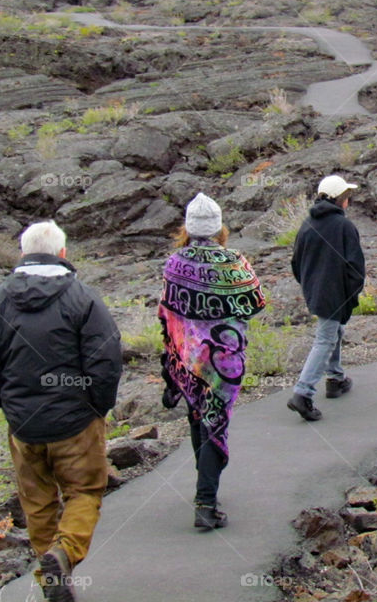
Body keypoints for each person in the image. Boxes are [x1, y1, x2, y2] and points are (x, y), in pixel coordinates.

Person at [0, 220, 122, 602]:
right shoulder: (82, 297)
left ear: (23, 253)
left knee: (36, 503)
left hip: (24, 425)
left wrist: (6, 402)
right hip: (76, 420)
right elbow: (106, 358)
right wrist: (96, 406)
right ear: (63, 254)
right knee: (84, 490)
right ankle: (64, 553)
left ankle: (50, 578)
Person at [158, 193, 265, 530]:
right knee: (215, 422)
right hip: (223, 361)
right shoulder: (234, 262)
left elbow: (167, 310)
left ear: (187, 229)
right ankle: (206, 501)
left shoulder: (174, 263)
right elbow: (256, 302)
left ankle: (205, 487)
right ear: (219, 227)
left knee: (198, 417)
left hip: (188, 357)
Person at [288, 175, 366, 421]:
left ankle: (336, 378)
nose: (349, 200)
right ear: (340, 199)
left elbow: (296, 263)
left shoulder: (306, 225)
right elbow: (355, 268)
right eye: (347, 196)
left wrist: (309, 287)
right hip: (335, 294)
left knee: (333, 332)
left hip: (316, 292)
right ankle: (303, 393)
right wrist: (351, 295)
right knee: (325, 340)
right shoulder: (344, 227)